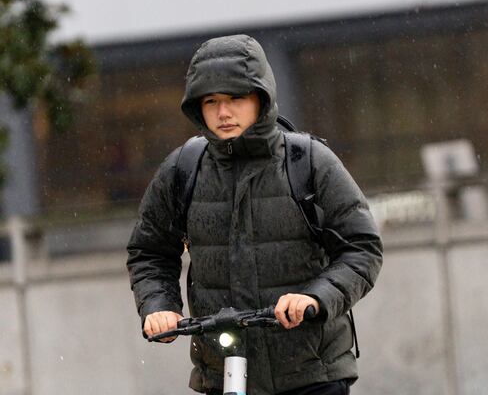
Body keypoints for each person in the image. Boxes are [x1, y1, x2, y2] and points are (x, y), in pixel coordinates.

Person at [126, 34, 383, 395]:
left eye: (235, 98)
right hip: (223, 373)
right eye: (211, 101)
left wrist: (315, 298)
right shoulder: (182, 169)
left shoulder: (308, 161)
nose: (223, 112)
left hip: (313, 372)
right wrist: (159, 305)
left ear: (261, 99)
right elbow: (149, 252)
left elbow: (362, 249)